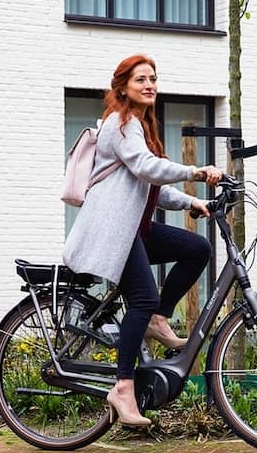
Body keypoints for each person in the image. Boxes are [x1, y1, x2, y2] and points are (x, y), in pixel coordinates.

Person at [63, 54, 222, 427]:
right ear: (122, 87)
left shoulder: (139, 125)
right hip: (114, 230)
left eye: (153, 78)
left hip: (133, 227)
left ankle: (156, 317)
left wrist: (191, 201)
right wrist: (196, 172)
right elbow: (146, 168)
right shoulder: (122, 123)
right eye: (140, 80)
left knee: (196, 248)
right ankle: (123, 387)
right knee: (143, 295)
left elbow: (149, 186)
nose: (149, 85)